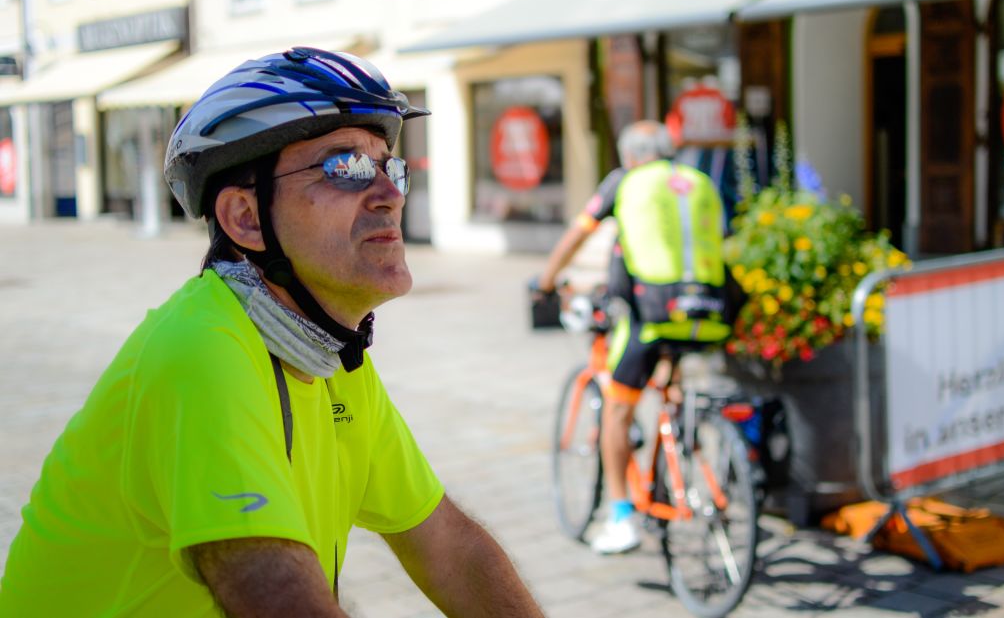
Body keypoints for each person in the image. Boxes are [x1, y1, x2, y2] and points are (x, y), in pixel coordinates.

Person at [0, 47, 545, 618]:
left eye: (390, 166)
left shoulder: (330, 358)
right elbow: (274, 596)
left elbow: (450, 550)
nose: (390, 194)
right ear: (246, 219)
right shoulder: (202, 351)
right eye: (346, 166)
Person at [536, 120, 731, 554]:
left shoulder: (625, 180)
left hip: (650, 315)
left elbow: (580, 232)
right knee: (672, 390)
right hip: (708, 312)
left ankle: (621, 514)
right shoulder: (698, 182)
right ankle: (681, 450)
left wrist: (545, 281)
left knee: (618, 412)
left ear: (629, 155)